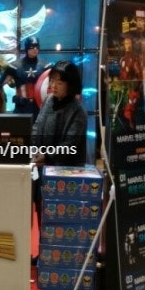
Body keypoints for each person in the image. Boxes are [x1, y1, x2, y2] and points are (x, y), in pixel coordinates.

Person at [31, 61, 87, 251]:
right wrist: (34, 149)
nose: (53, 86)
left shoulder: (78, 110)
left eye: (59, 82)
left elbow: (70, 145)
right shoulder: (48, 101)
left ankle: (61, 255)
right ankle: (44, 252)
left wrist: (47, 156)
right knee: (42, 210)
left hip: (65, 173)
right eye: (51, 81)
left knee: (62, 218)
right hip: (42, 170)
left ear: (70, 85)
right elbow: (37, 127)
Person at [0, 36, 48, 120]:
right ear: (27, 47)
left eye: (37, 46)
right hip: (21, 109)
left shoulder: (45, 66)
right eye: (32, 46)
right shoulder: (14, 66)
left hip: (39, 109)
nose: (35, 49)